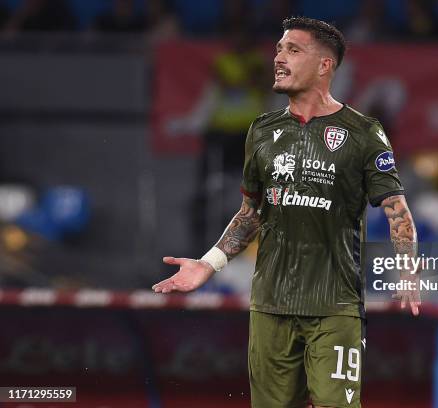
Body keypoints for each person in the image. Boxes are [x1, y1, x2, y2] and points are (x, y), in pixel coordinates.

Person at [152, 17, 419, 408]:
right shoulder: (261, 131)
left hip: (335, 308)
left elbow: (397, 208)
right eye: (279, 48)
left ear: (325, 65)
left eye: (293, 50)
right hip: (270, 306)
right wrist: (209, 263)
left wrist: (407, 268)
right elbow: (250, 212)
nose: (279, 57)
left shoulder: (364, 133)